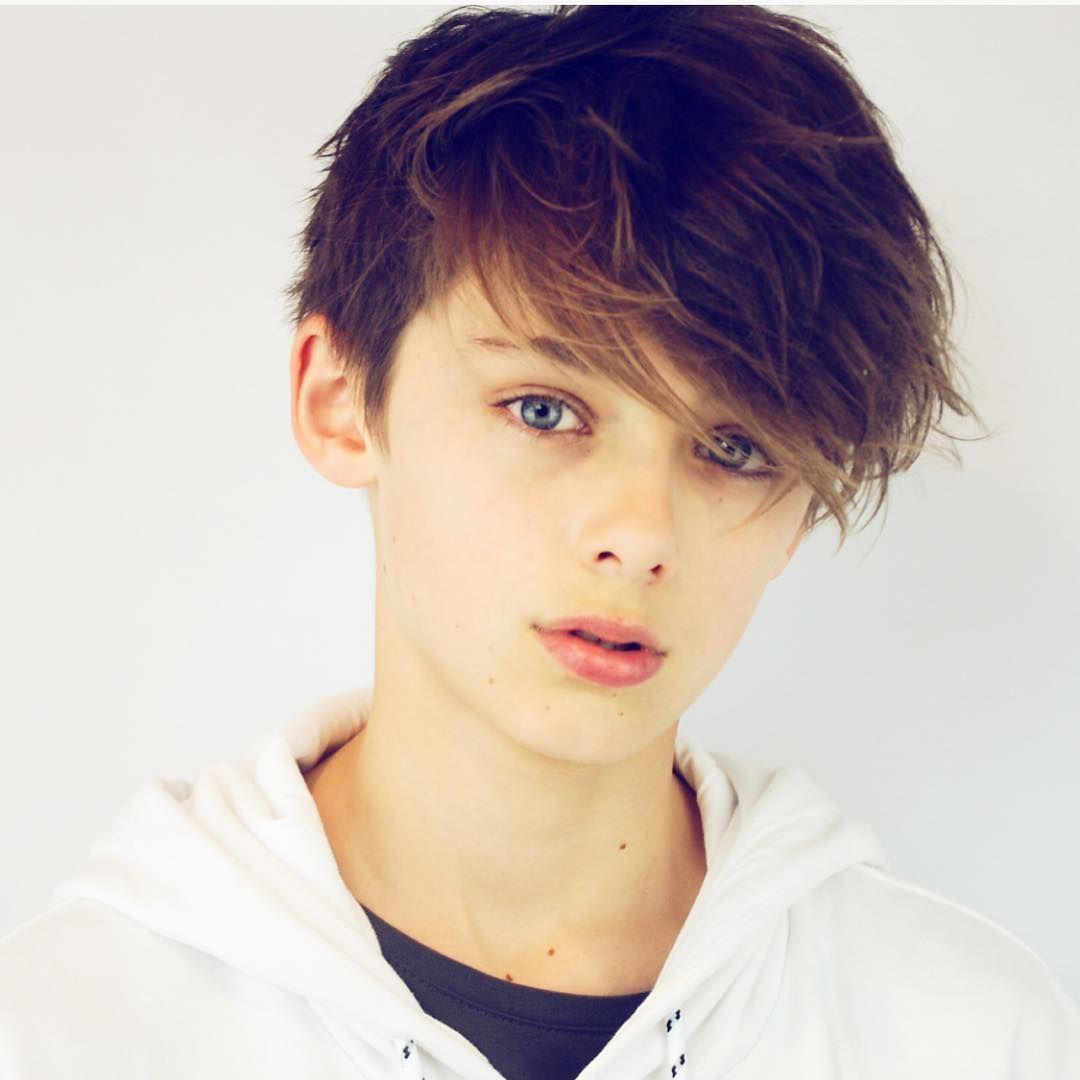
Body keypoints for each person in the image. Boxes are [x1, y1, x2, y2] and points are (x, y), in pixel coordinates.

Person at [0, 5, 1076, 1078]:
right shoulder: (74, 1028)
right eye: (545, 410)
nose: (641, 534)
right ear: (341, 403)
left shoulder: (962, 1034)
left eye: (736, 449)